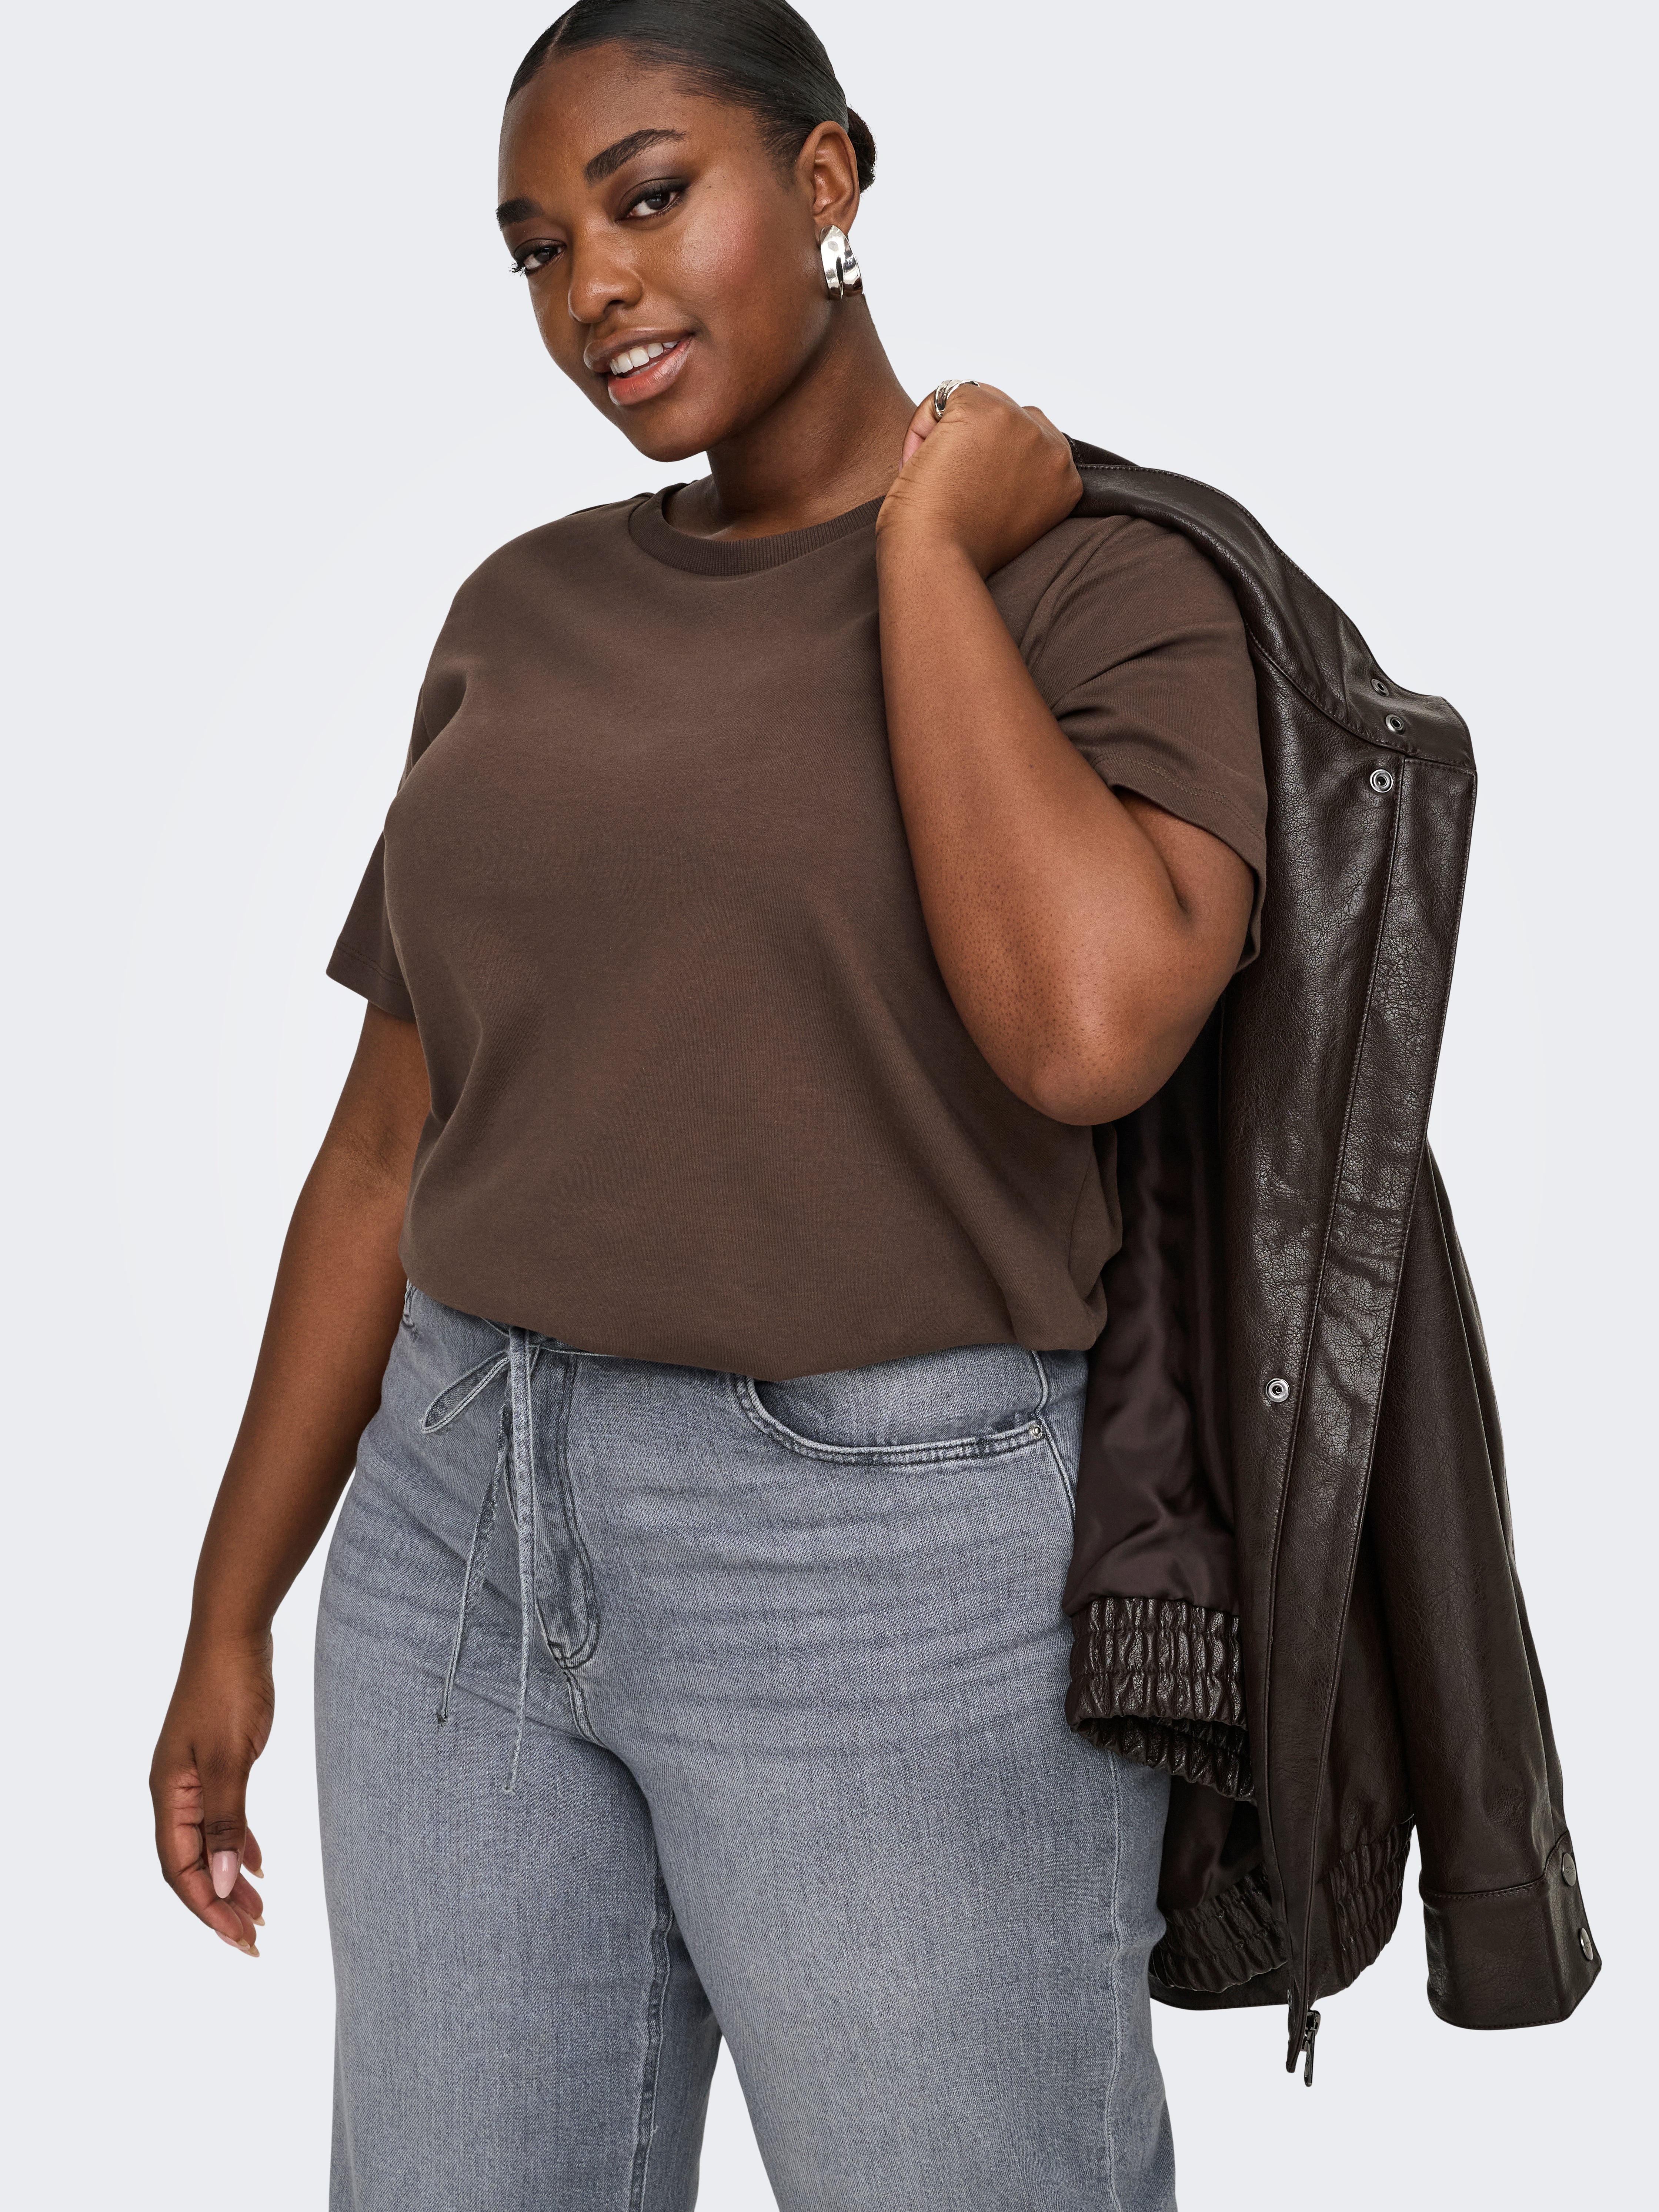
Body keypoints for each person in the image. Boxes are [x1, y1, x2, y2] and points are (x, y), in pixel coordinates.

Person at [149, 4, 1270, 2205]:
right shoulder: (525, 609)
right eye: (538, 249)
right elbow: (387, 1148)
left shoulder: (1102, 585)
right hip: (457, 1526)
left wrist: (925, 556)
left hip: (883, 1563)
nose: (595, 290)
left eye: (650, 198)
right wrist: (227, 1607)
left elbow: (1088, 1032)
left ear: (828, 181)